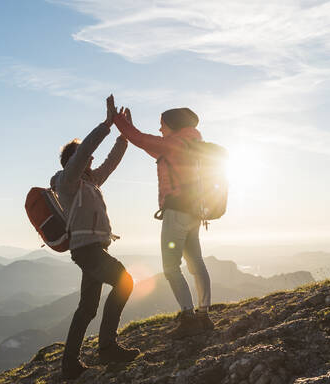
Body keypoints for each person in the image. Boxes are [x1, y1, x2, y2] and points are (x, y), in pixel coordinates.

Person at [111, 102, 214, 339]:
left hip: (176, 213)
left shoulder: (174, 143)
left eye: (162, 126)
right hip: (195, 213)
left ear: (173, 126)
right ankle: (204, 314)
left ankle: (188, 317)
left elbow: (141, 140)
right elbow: (149, 145)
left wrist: (118, 121)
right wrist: (129, 126)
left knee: (170, 266)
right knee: (196, 262)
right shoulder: (192, 144)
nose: (160, 130)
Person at [54, 95, 139, 379]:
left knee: (87, 308)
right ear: (73, 162)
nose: (91, 160)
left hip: (92, 249)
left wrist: (124, 134)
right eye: (84, 158)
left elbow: (111, 163)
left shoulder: (90, 181)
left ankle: (69, 364)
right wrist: (106, 125)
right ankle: (107, 347)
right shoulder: (68, 183)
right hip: (87, 250)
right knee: (125, 282)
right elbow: (84, 152)